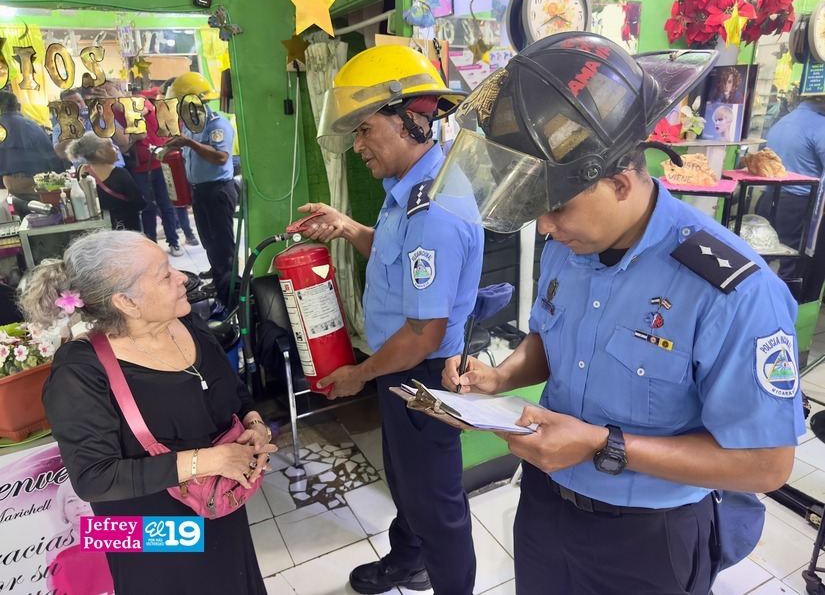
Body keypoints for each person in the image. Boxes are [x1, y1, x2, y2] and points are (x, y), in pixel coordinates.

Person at [435, 33, 805, 594]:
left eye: (557, 207)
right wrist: (501, 376)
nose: (545, 227)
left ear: (620, 182)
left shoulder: (731, 289)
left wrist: (601, 445)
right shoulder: (569, 245)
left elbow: (767, 464)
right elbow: (550, 341)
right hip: (545, 507)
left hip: (649, 538)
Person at [301, 45, 482, 594]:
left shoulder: (434, 211)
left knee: (436, 503)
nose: (358, 145)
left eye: (364, 129)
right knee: (406, 481)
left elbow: (423, 335)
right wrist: (348, 228)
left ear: (406, 121)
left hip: (419, 371)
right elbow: (397, 258)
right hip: (397, 366)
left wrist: (359, 375)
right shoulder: (410, 189)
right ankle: (408, 560)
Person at [18, 229, 276, 595]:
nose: (182, 277)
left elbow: (231, 390)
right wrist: (212, 460)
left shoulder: (186, 323)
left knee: (230, 578)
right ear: (126, 302)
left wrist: (255, 422)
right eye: (165, 274)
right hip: (146, 532)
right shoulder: (80, 370)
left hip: (216, 500)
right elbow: (93, 478)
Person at [165, 72, 237, 311]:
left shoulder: (217, 123)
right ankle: (219, 285)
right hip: (201, 192)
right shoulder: (191, 125)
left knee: (222, 248)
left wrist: (189, 143)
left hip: (218, 191)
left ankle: (230, 301)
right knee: (209, 243)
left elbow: (221, 157)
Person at [88, 80, 185, 257]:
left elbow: (139, 114)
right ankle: (151, 245)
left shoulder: (138, 99)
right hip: (138, 166)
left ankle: (174, 242)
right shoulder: (110, 113)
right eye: (102, 92)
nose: (106, 95)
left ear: (119, 89)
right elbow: (123, 143)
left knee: (166, 204)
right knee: (147, 207)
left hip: (159, 161)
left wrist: (114, 101)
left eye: (109, 90)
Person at [755, 95, 825, 298]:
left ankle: (758, 300)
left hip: (768, 197)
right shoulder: (820, 125)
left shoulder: (783, 121)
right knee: (791, 261)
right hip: (798, 203)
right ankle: (785, 305)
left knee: (763, 255)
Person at [67, 132, 147, 232]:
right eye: (111, 145)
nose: (116, 148)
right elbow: (140, 204)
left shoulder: (81, 170)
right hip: (126, 230)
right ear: (100, 153)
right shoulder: (120, 174)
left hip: (101, 231)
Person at [0, 90, 65, 210]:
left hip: (9, 182)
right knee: (59, 205)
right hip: (31, 180)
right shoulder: (29, 125)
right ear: (19, 106)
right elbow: (50, 155)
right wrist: (61, 178)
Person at [46, 481, 114, 595]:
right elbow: (54, 586)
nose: (80, 505)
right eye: (71, 500)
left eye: (86, 498)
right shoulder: (57, 544)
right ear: (63, 510)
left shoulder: (117, 530)